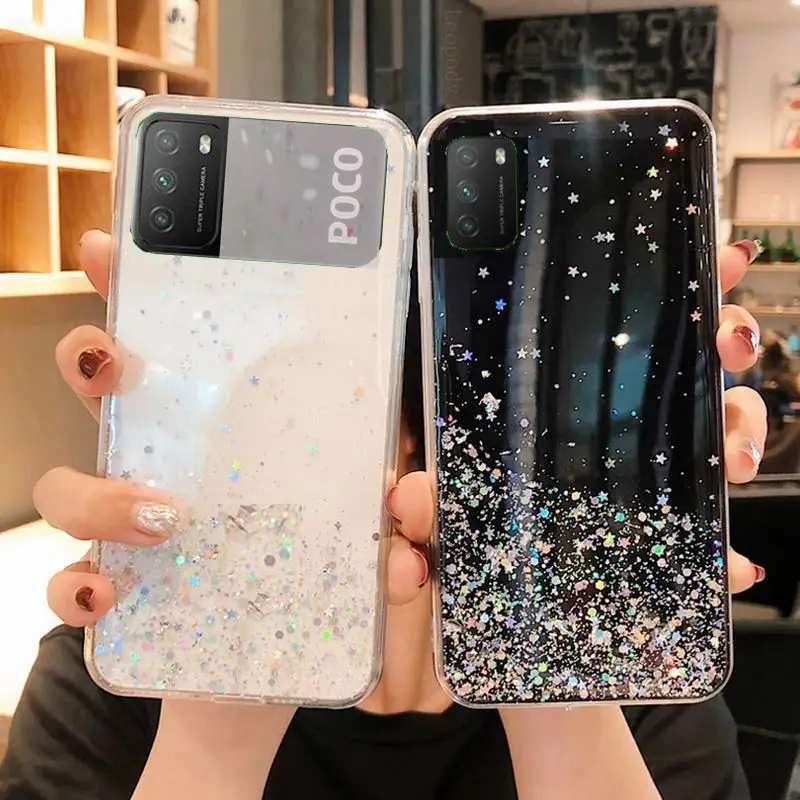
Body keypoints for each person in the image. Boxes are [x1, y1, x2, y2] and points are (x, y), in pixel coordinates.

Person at [0, 233, 767, 800]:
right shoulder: (117, 674)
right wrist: (210, 736)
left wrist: (541, 662)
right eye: (239, 444)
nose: (260, 489)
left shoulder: (639, 680)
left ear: (420, 442)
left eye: (300, 433)